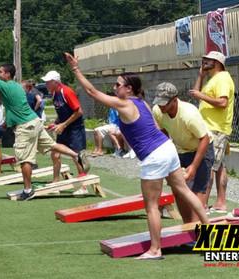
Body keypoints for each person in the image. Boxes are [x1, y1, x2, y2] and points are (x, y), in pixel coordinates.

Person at [65, 52, 209, 260]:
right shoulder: (142, 102)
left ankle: (155, 250)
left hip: (155, 156)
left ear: (128, 88)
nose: (114, 88)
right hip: (167, 149)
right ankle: (209, 235)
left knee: (151, 206)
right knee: (185, 192)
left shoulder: (125, 104)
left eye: (117, 85)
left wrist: (76, 69)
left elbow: (92, 92)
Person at [0, 54, 90, 201]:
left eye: (0, 72)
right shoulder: (17, 87)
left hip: (25, 126)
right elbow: (14, 106)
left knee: (24, 159)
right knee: (52, 145)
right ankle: (75, 155)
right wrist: (7, 121)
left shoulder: (6, 85)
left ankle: (28, 190)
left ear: (8, 74)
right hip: (34, 122)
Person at [152, 82, 215, 223]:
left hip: (202, 148)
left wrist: (193, 166)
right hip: (180, 150)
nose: (161, 106)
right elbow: (163, 132)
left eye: (164, 103)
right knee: (179, 190)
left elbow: (204, 138)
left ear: (174, 100)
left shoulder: (189, 114)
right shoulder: (158, 110)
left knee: (197, 191)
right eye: (159, 102)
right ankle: (188, 226)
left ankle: (197, 229)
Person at [189, 51, 235, 214]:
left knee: (207, 165)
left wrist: (202, 95)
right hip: (211, 128)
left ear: (217, 62)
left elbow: (223, 102)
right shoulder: (213, 79)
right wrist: (200, 77)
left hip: (216, 128)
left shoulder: (222, 78)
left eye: (207, 59)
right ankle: (220, 202)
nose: (204, 61)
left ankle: (203, 204)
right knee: (219, 164)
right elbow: (196, 96)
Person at [42, 70, 89, 195]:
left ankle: (84, 186)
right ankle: (56, 183)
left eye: (48, 82)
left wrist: (63, 124)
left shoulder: (66, 91)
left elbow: (79, 111)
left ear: (55, 82)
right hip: (64, 127)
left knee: (76, 156)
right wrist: (56, 123)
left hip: (75, 128)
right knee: (55, 153)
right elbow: (61, 112)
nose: (45, 84)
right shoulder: (54, 94)